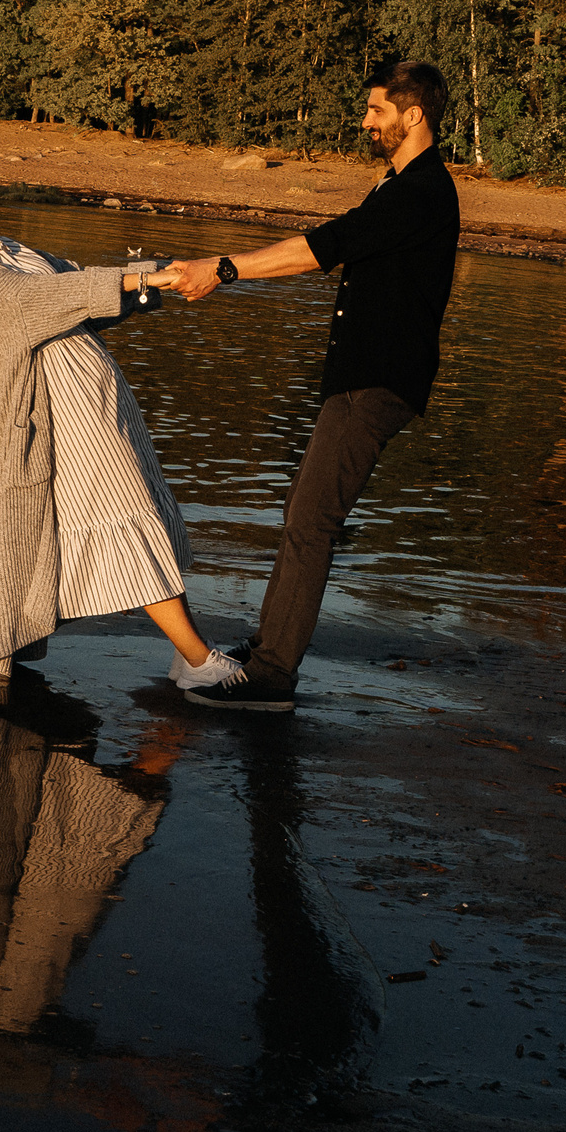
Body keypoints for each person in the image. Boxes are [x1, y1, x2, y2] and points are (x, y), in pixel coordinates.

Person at [158, 62, 461, 712]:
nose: (366, 120)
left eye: (376, 109)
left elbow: (328, 245)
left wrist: (225, 267)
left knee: (311, 519)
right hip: (358, 379)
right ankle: (269, 647)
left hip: (376, 384)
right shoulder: (401, 185)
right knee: (305, 513)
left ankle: (271, 676)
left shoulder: (424, 190)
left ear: (413, 115)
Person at [0, 170, 240, 688]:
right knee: (126, 520)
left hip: (101, 402)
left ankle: (172, 653)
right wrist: (144, 279)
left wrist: (163, 271)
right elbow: (46, 301)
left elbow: (79, 284)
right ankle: (198, 661)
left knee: (126, 519)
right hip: (62, 418)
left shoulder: (9, 250)